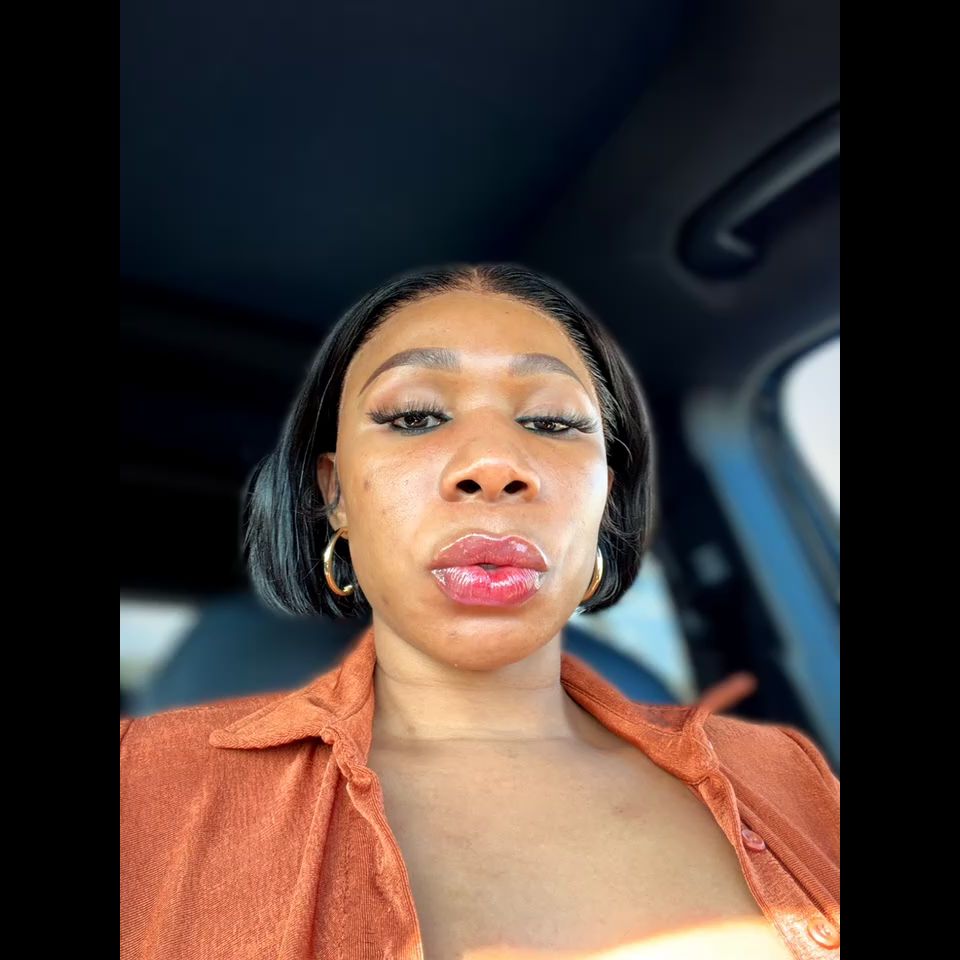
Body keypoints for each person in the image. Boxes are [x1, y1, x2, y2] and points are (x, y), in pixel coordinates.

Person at [120, 263, 839, 960]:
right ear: (334, 495)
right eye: (414, 416)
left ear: (606, 499)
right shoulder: (143, 789)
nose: (494, 465)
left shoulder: (788, 774)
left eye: (553, 421)